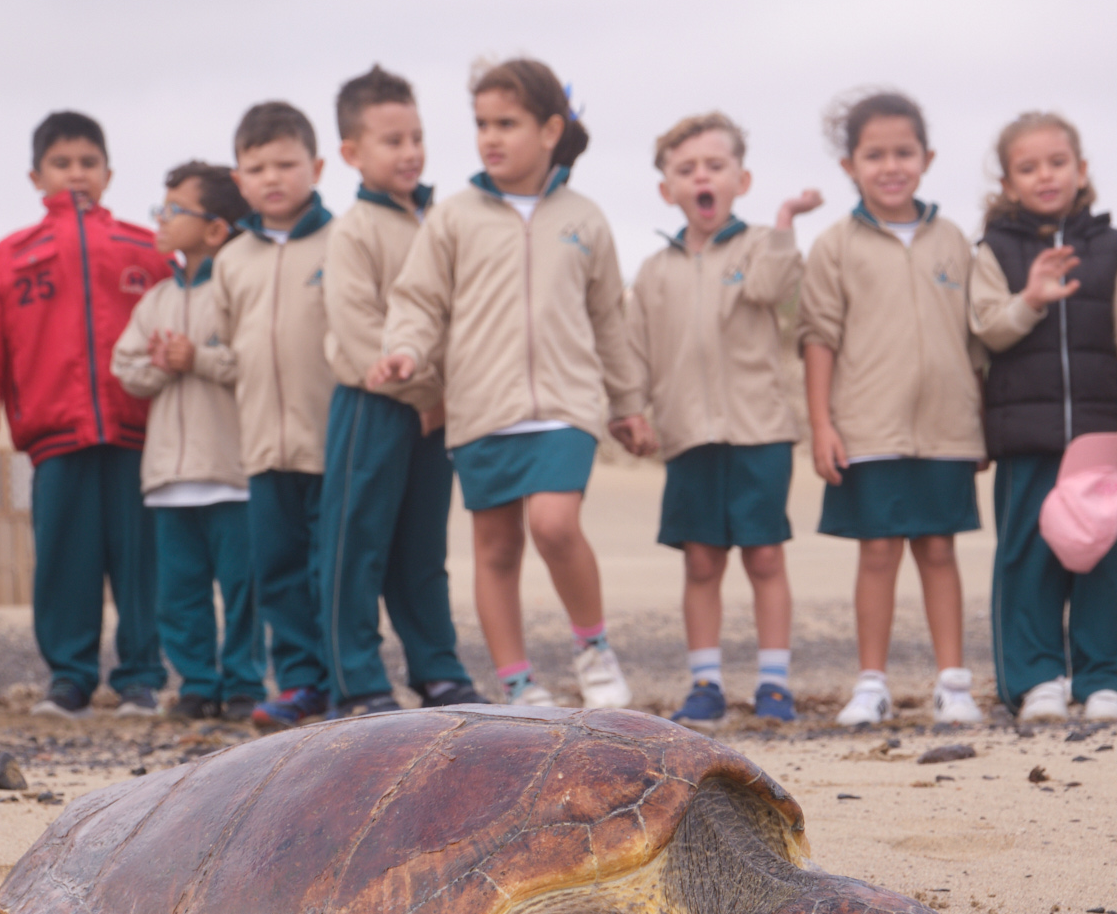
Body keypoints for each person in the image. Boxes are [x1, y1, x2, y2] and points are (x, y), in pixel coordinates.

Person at [373, 58, 651, 709]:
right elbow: (418, 300)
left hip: (565, 403)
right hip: (480, 409)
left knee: (554, 526)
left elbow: (610, 319)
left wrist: (628, 403)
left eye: (507, 123)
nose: (489, 137)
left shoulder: (585, 218)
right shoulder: (453, 216)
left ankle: (592, 646)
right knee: (496, 546)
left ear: (551, 129)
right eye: (480, 124)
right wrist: (406, 351)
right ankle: (518, 682)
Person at [0, 112, 171, 718]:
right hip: (55, 443)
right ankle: (68, 679)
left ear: (109, 173)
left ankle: (141, 678)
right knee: (64, 563)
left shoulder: (149, 250)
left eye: (88, 163)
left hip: (140, 439)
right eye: (62, 164)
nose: (76, 174)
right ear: (35, 175)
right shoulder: (8, 261)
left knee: (142, 561)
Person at [800, 91, 987, 729]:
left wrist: (978, 419)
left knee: (938, 549)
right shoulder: (833, 244)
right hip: (867, 429)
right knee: (877, 552)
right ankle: (871, 684)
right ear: (850, 164)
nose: (890, 165)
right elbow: (818, 336)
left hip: (945, 428)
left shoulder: (954, 239)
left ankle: (954, 685)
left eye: (903, 152)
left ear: (927, 158)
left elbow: (976, 335)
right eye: (874, 154)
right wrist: (823, 424)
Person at [971, 111, 1117, 724]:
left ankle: (1101, 677)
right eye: (1028, 168)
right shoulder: (994, 251)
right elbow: (986, 330)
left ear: (1081, 171)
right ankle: (1036, 679)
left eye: (1057, 163)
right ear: (1007, 183)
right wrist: (1029, 299)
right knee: (1027, 556)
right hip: (1024, 434)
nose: (1045, 176)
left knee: (1095, 551)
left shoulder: (1115, 249)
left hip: (1098, 434)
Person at [628, 110, 815, 729]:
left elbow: (772, 288)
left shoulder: (761, 243)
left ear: (741, 178)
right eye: (686, 169)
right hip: (688, 433)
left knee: (764, 558)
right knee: (701, 561)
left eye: (714, 165)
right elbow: (634, 348)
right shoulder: (655, 272)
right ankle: (705, 681)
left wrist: (786, 222)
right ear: (667, 189)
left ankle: (774, 683)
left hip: (759, 430)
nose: (701, 176)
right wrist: (629, 408)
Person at [318, 66, 483, 716]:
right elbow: (358, 330)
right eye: (391, 140)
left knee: (422, 548)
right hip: (375, 408)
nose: (409, 151)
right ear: (352, 154)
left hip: (437, 412)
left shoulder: (442, 221)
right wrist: (420, 397)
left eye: (415, 136)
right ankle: (356, 680)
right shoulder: (354, 229)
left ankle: (436, 668)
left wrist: (443, 400)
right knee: (354, 545)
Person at [111, 162, 264, 722]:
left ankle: (245, 684)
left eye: (175, 210)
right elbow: (125, 364)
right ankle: (197, 684)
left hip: (234, 472)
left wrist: (196, 358)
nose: (161, 219)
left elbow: (257, 362)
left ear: (217, 228)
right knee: (180, 595)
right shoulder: (154, 299)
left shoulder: (240, 289)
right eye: (162, 207)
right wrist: (164, 365)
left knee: (244, 589)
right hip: (168, 480)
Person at [207, 102, 337, 727]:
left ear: (316, 166)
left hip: (333, 442)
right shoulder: (231, 261)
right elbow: (231, 349)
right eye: (256, 168)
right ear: (239, 180)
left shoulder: (345, 241)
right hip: (263, 446)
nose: (273, 178)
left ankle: (347, 679)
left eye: (286, 164)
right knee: (279, 571)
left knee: (333, 570)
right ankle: (299, 683)